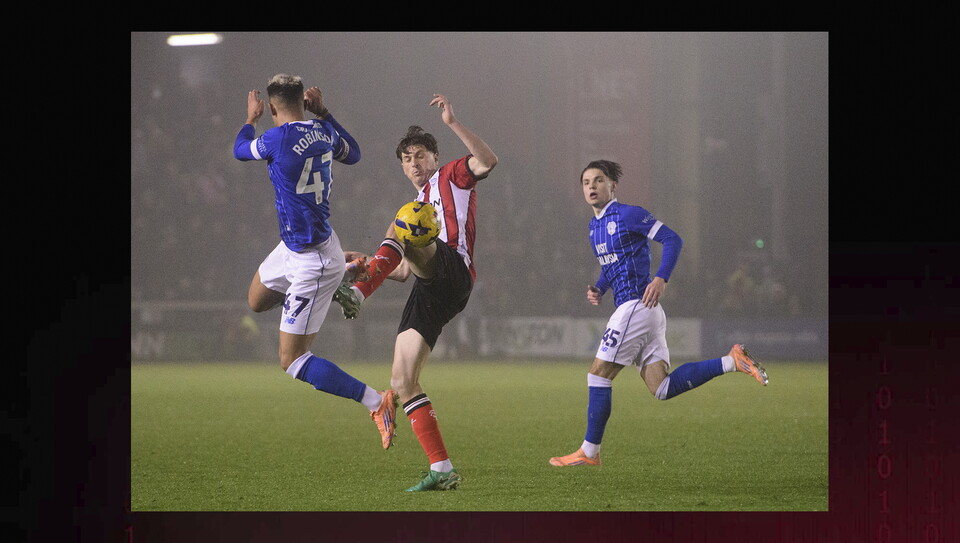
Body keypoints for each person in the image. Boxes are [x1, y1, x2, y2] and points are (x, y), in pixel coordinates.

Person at [548, 160, 768, 467]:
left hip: (636, 305)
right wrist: (600, 287)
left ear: (613, 186)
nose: (591, 187)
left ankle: (590, 451)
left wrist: (661, 278)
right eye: (586, 182)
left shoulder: (628, 214)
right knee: (661, 387)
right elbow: (612, 265)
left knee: (598, 374)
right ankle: (732, 361)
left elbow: (673, 239)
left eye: (598, 180)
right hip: (644, 311)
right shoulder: (594, 227)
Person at [334, 94, 497, 491]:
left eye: (420, 155)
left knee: (403, 222)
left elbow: (488, 160)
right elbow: (405, 270)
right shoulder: (416, 204)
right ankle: (442, 469)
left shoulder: (452, 175)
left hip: (454, 270)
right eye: (407, 159)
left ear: (435, 157)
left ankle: (359, 292)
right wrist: (370, 262)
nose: (414, 164)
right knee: (402, 379)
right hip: (430, 286)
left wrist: (452, 123)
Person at [232, 74, 398, 451]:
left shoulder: (275, 138)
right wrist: (325, 114)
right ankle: (338, 274)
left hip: (312, 261)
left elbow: (240, 149)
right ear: (303, 104)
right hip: (294, 248)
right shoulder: (323, 132)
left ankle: (376, 401)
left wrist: (250, 119)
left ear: (272, 108)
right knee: (256, 300)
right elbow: (354, 154)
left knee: (292, 360)